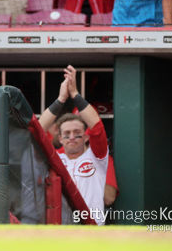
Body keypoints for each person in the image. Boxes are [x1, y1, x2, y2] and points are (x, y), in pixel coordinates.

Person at [38, 65, 109, 225]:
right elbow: (37, 131)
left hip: (91, 227)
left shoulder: (96, 156)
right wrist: (61, 99)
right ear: (60, 139)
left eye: (76, 132)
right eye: (66, 134)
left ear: (85, 136)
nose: (71, 137)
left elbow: (97, 127)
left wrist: (75, 94)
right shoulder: (55, 158)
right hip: (60, 228)